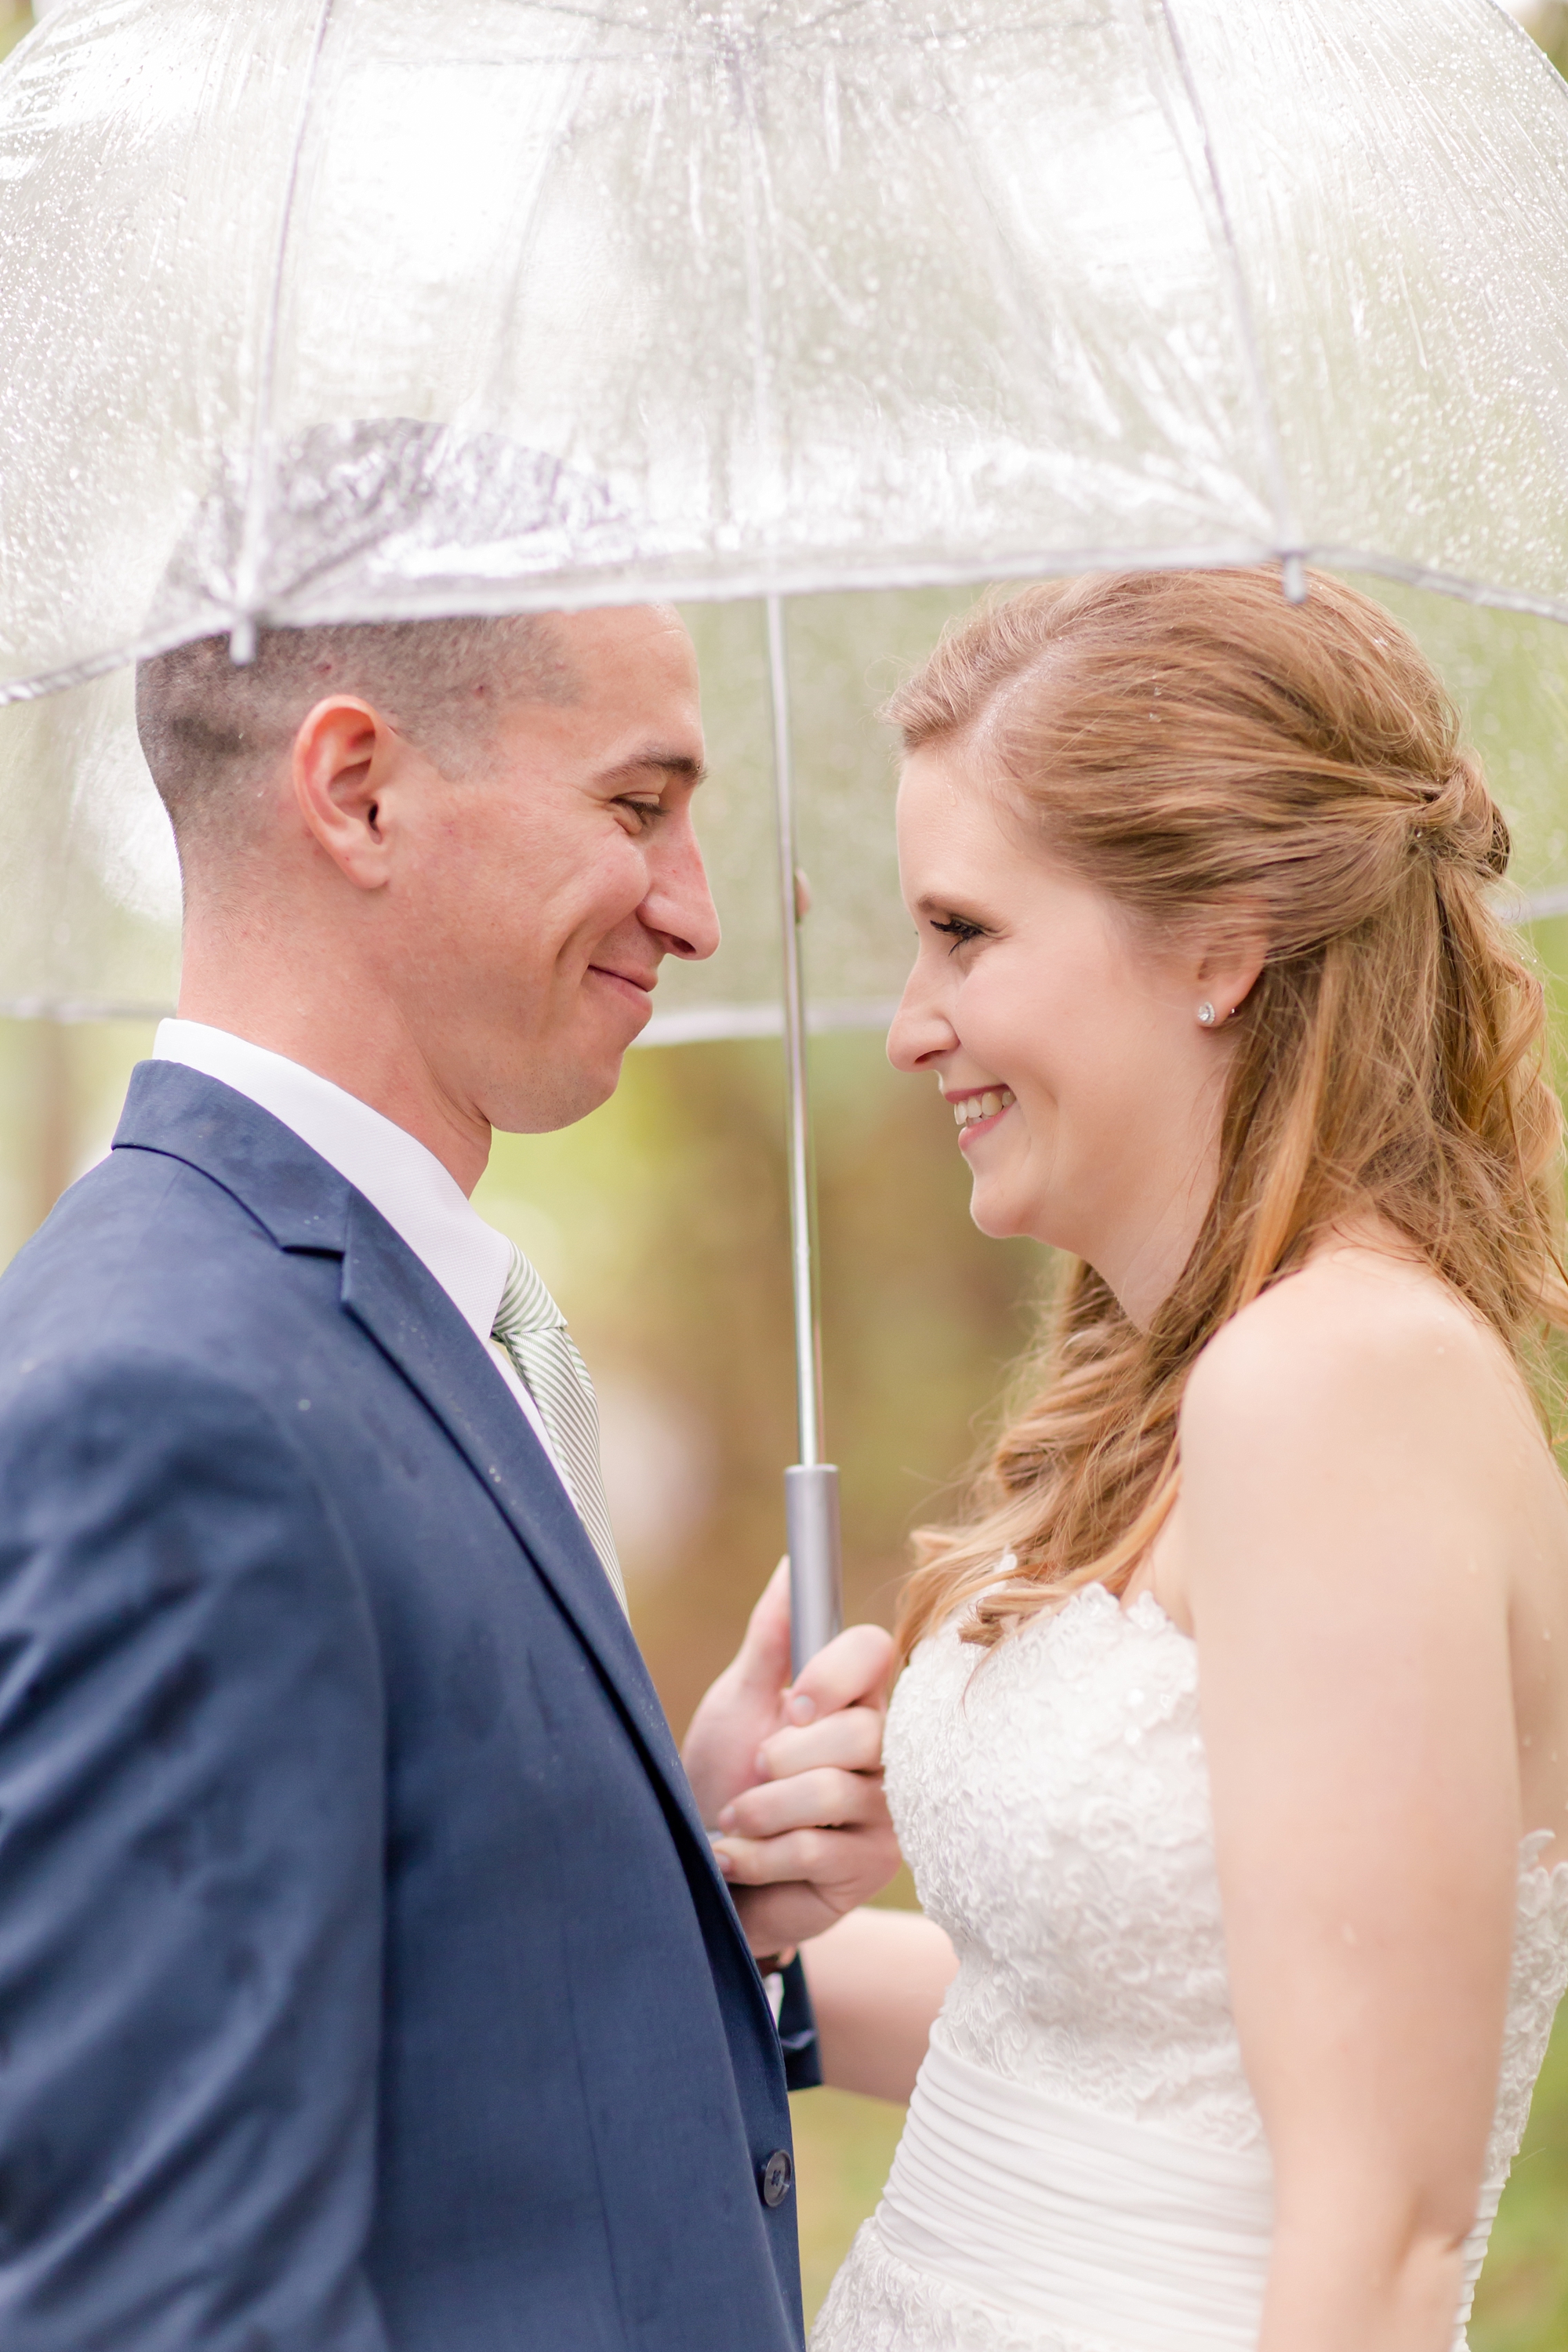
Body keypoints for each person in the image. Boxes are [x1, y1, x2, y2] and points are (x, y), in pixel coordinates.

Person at [0, 587, 899, 2350]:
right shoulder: (169, 1403)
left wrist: (661, 1859)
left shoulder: (383, 1321)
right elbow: (166, 2303)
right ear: (357, 791)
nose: (701, 910)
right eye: (637, 808)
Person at [786, 569, 1568, 2352]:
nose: (910, 1022)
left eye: (965, 935)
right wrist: (745, 1946)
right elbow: (1100, 2055)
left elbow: (1378, 2237)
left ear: (1219, 943)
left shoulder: (1335, 1384)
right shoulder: (1199, 1376)